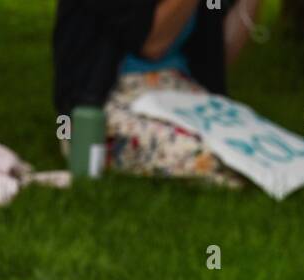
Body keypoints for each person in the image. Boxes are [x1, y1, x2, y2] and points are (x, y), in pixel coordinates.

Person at [52, 0, 264, 184]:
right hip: (106, 99)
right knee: (211, 158)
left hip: (184, 94)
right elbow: (152, 43)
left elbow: (218, 58)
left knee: (258, 148)